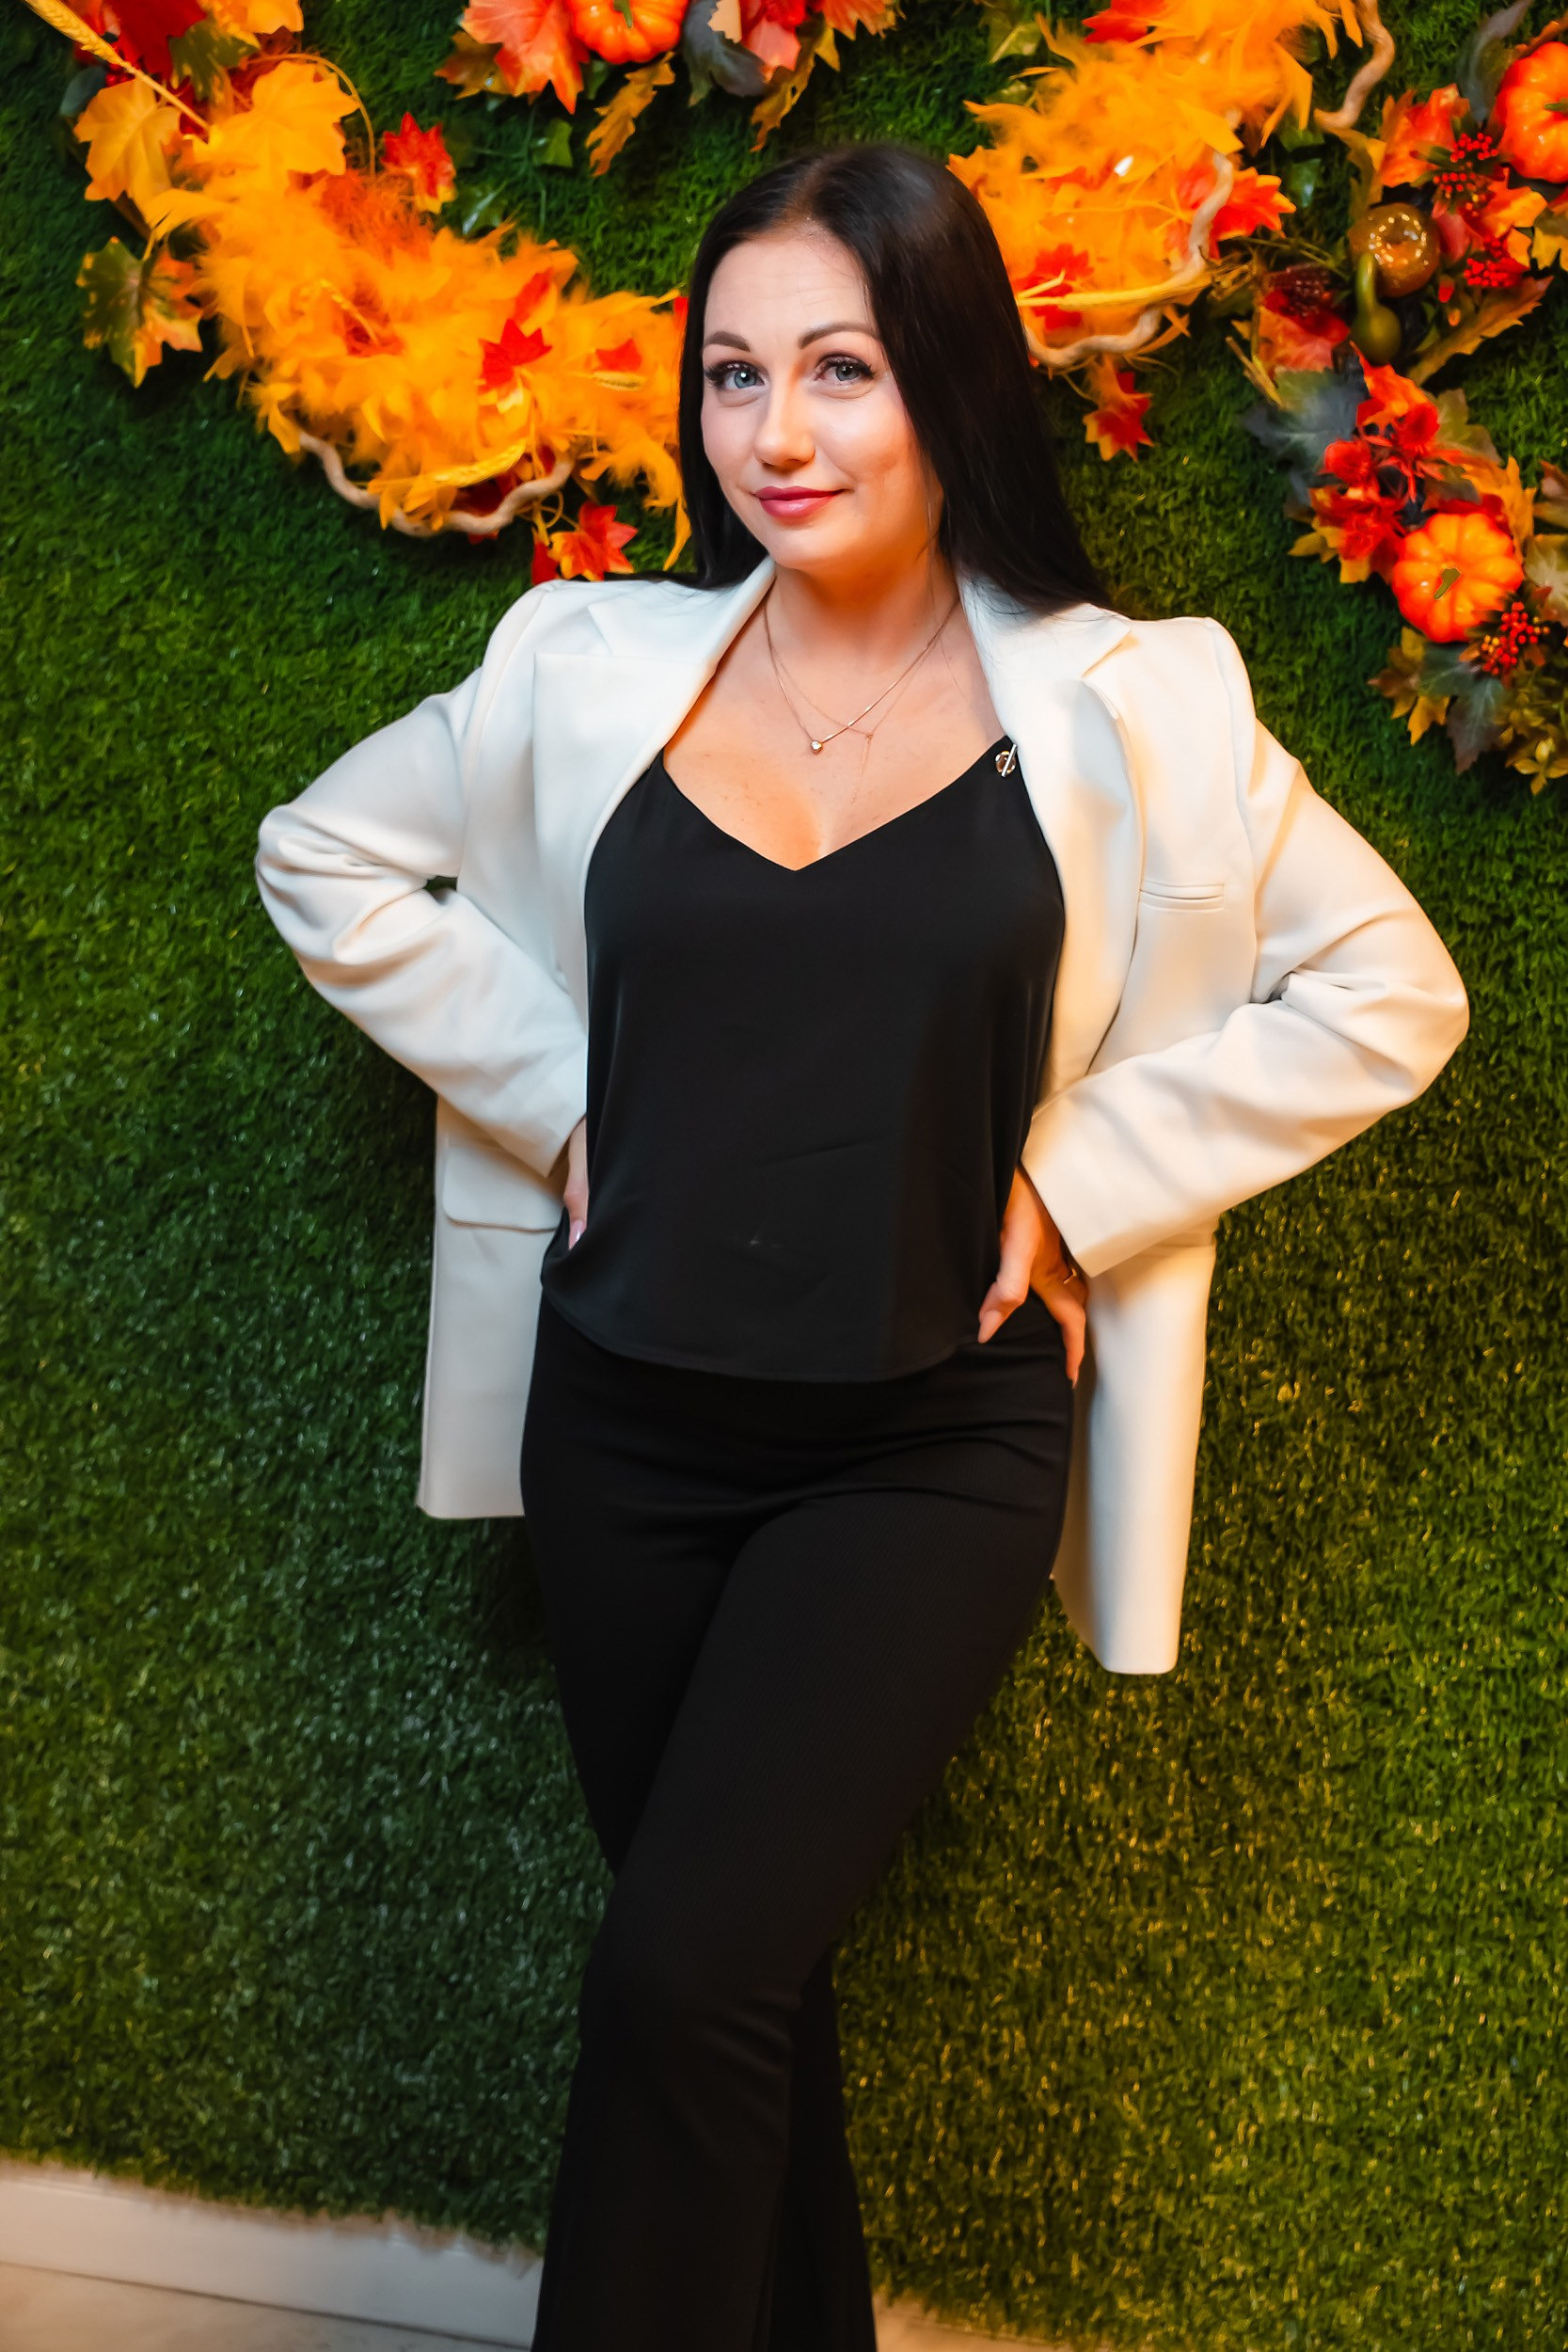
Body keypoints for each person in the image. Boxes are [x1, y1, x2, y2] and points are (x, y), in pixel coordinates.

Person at [254, 140, 1468, 2352]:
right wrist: (564, 1095)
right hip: (624, 1432)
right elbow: (321, 854)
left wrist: (1079, 1178)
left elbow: (1395, 988)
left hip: (926, 1442)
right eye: (733, 375)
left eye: (841, 366)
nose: (777, 432)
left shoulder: (1140, 701)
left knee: (679, 1974)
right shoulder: (582, 664)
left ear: (951, 379)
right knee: (741, 1999)